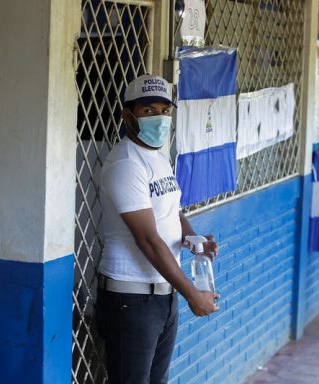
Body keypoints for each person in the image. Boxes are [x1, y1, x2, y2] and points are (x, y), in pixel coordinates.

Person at [95, 74, 220, 384]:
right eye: (148, 111)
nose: (159, 118)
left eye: (164, 110)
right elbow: (148, 240)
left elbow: (172, 212)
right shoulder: (126, 164)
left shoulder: (158, 158)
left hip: (162, 296)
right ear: (127, 116)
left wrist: (193, 238)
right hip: (131, 299)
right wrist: (192, 294)